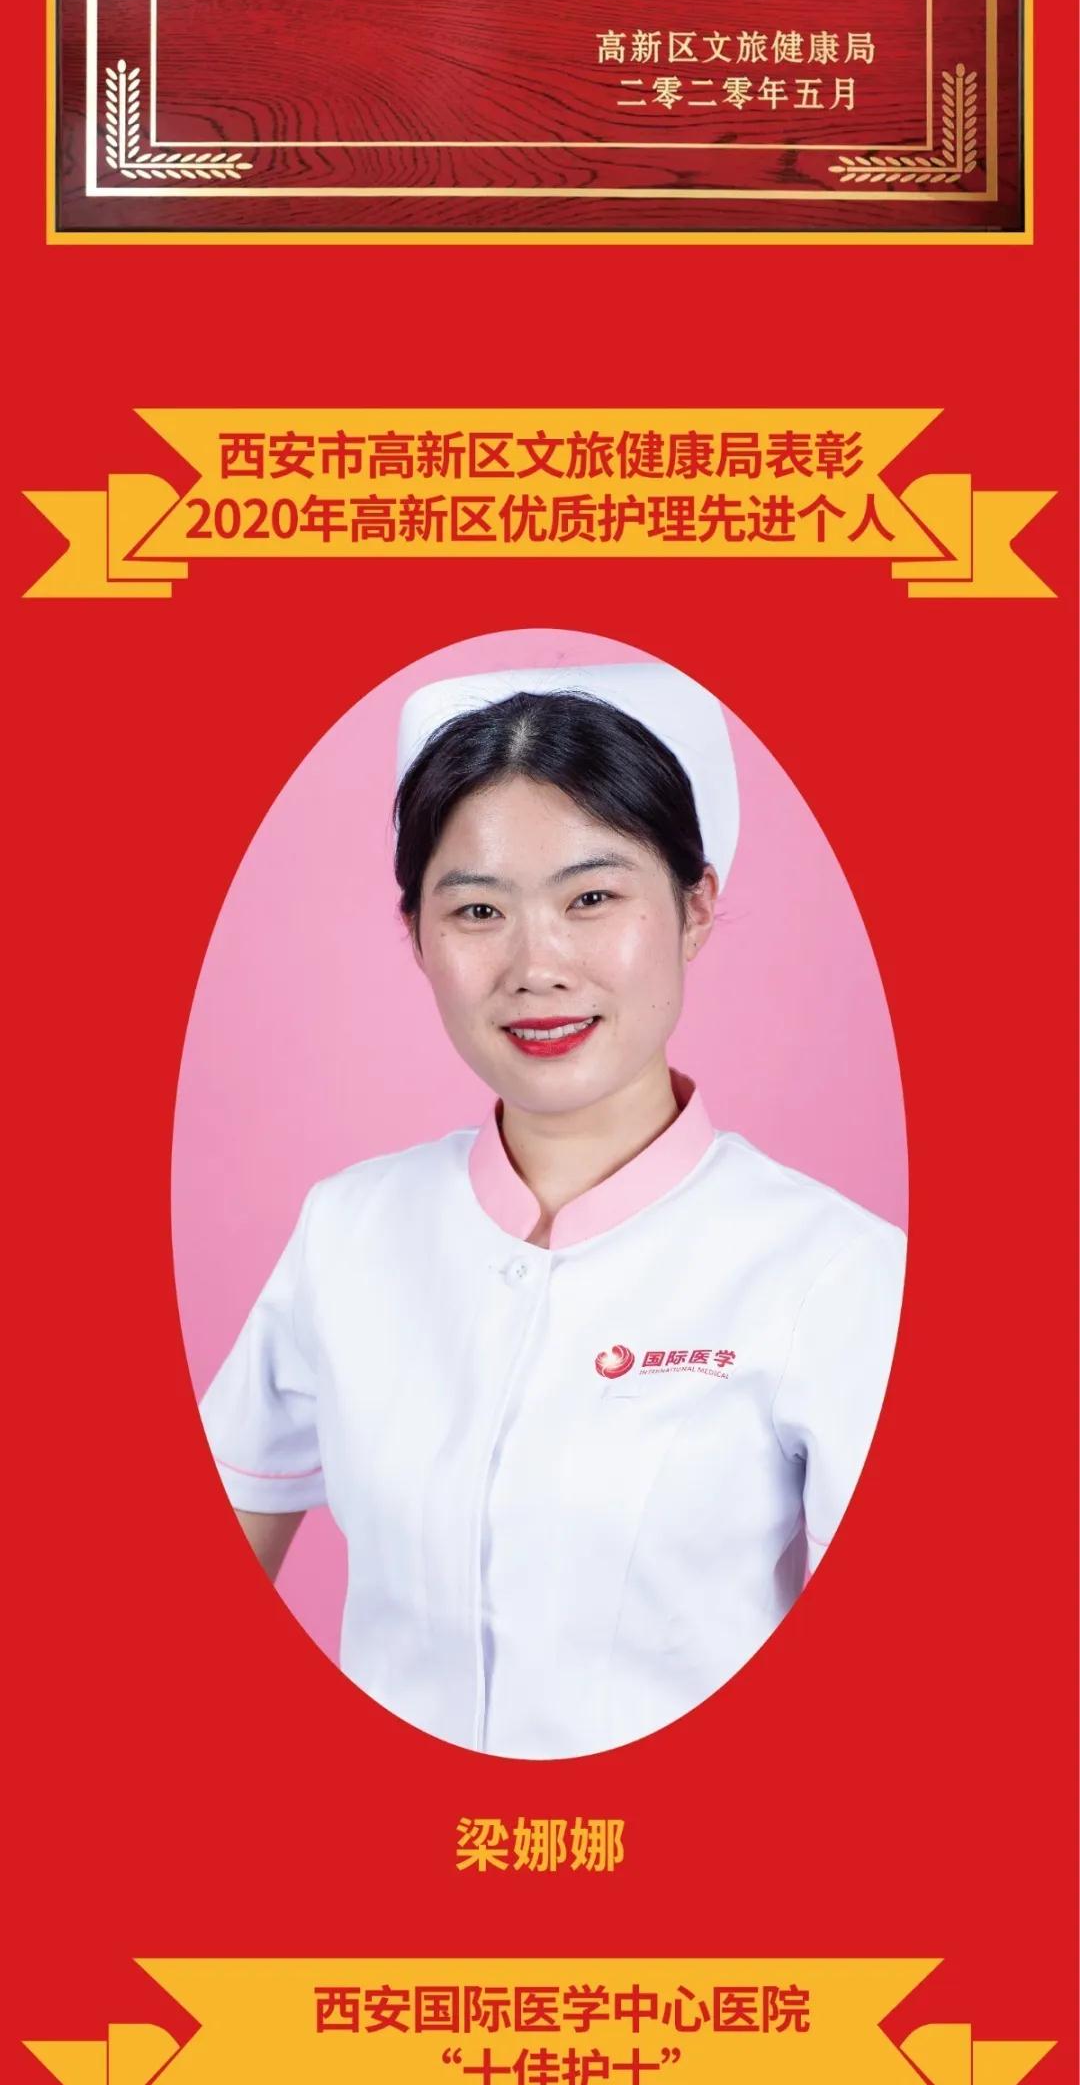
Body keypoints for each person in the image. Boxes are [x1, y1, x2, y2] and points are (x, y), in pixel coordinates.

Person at [199, 638, 906, 1754]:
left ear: (696, 907)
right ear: (416, 934)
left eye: (592, 897)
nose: (537, 965)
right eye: (478, 911)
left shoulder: (836, 1272)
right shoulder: (348, 1232)